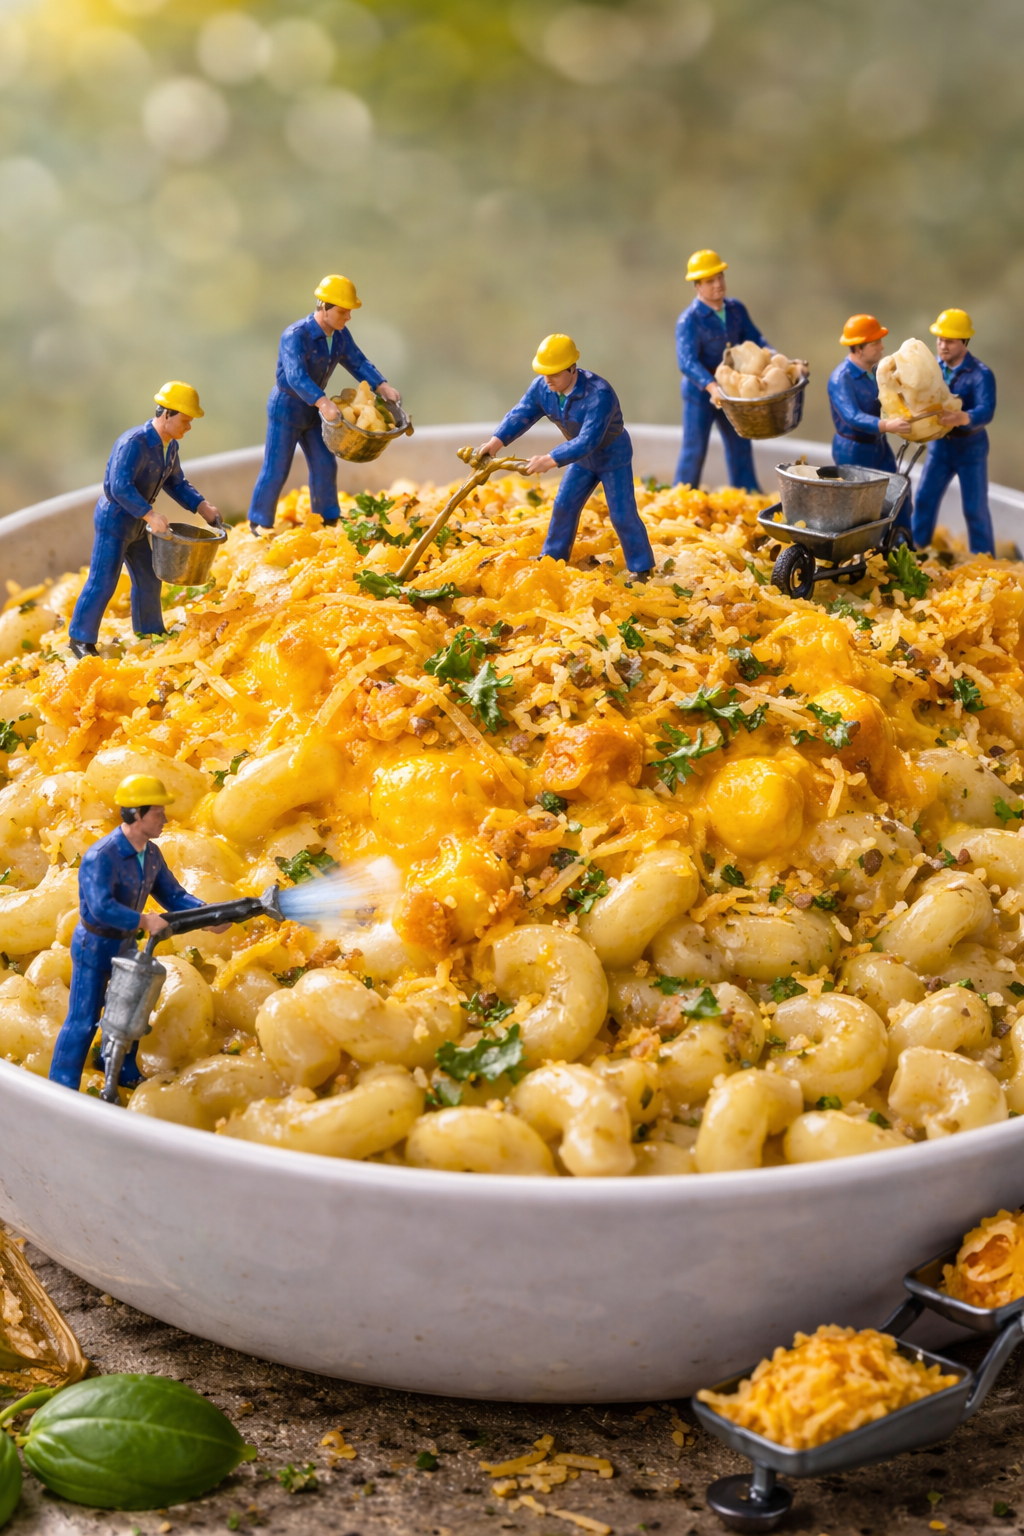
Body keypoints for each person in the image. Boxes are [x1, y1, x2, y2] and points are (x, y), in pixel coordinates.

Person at [48, 775, 227, 1094]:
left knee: (130, 1008)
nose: (165, 819)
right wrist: (144, 920)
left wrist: (208, 915)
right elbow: (100, 907)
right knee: (84, 1017)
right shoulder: (100, 856)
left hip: (126, 943)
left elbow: (174, 896)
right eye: (159, 813)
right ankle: (61, 1084)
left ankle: (120, 1070)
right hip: (94, 944)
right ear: (137, 815)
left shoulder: (152, 855)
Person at [474, 334, 655, 577]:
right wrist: (496, 442)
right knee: (564, 504)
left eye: (555, 373)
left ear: (572, 369)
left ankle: (642, 567)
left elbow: (588, 440)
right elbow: (521, 414)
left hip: (612, 456)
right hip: (580, 459)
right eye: (544, 373)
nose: (547, 379)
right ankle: (552, 557)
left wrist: (550, 459)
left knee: (622, 514)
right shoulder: (543, 387)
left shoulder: (599, 394)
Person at [68, 384, 219, 659]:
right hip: (114, 520)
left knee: (149, 576)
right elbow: (119, 487)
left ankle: (149, 632)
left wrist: (201, 506)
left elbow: (176, 483)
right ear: (167, 415)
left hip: (138, 523)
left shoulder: (169, 447)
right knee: (103, 580)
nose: (188, 427)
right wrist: (149, 514)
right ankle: (80, 639)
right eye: (185, 421)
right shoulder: (133, 443)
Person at [248, 274, 402, 533]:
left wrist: (381, 385)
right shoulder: (295, 336)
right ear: (324, 308)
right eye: (343, 311)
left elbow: (357, 361)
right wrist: (322, 401)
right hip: (287, 407)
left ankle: (327, 517)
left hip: (314, 411)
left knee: (324, 463)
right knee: (276, 467)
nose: (348, 317)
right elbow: (296, 376)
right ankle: (259, 521)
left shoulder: (340, 335)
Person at [674, 249, 774, 492]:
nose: (718, 285)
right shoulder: (689, 320)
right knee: (694, 447)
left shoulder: (736, 310)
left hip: (732, 389)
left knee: (740, 442)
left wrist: (776, 357)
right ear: (697, 286)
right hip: (700, 393)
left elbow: (755, 339)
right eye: (710, 281)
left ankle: (748, 492)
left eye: (720, 278)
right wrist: (711, 386)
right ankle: (682, 493)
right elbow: (687, 361)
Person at [911, 309, 996, 556]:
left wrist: (963, 417)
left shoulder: (980, 374)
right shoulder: (932, 368)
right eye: (940, 340)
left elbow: (987, 409)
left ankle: (984, 557)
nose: (942, 346)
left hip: (970, 448)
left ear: (964, 342)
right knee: (925, 498)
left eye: (949, 341)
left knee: (974, 507)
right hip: (940, 447)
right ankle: (916, 549)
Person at [828, 314, 913, 535]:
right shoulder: (841, 379)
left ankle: (900, 538)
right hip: (853, 449)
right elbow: (852, 416)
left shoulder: (875, 374)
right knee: (861, 501)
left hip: (878, 444)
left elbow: (888, 401)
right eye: (875, 343)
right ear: (858, 348)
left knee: (898, 489)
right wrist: (887, 425)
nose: (882, 348)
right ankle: (860, 545)